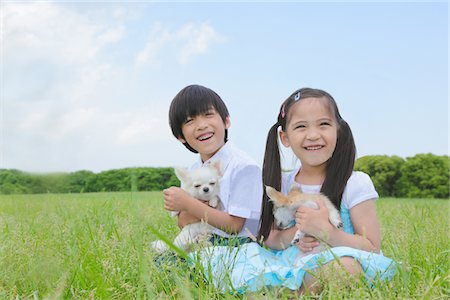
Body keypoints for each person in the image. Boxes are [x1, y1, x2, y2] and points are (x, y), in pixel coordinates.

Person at [190, 87, 396, 294]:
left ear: (338, 131)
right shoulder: (282, 184)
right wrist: (297, 234)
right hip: (288, 263)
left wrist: (326, 231)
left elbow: (371, 247)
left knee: (345, 268)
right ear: (285, 137)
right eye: (301, 127)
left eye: (324, 124)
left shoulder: (355, 182)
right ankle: (282, 291)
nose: (313, 135)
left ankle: (288, 294)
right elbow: (271, 239)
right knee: (229, 262)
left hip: (331, 261)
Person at [162, 84, 263, 247]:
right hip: (200, 239)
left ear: (226, 121)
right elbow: (183, 221)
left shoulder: (244, 166)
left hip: (238, 245)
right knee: (163, 260)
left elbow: (234, 226)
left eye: (208, 114)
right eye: (190, 120)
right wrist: (188, 209)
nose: (201, 125)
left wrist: (188, 204)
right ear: (181, 136)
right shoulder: (193, 171)